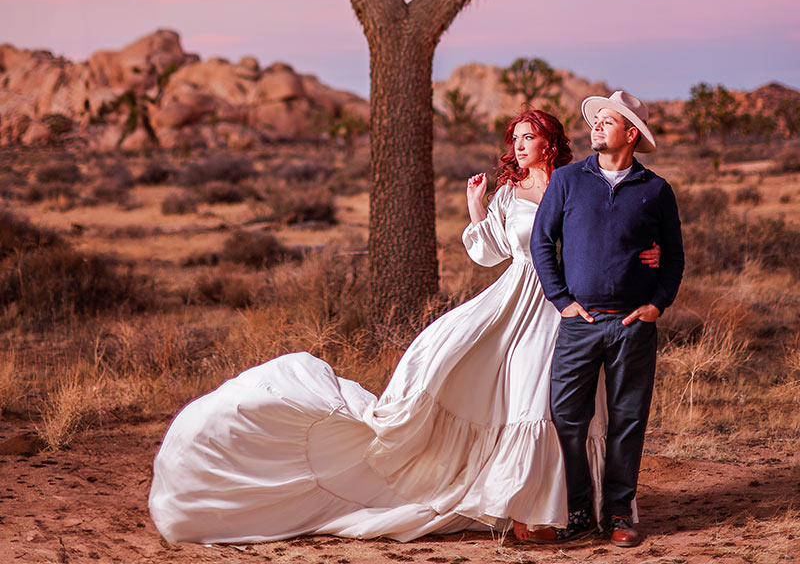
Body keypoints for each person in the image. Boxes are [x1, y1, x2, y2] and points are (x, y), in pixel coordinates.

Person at [149, 109, 659, 545]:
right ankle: (527, 510)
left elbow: (607, 232)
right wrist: (476, 207)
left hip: (568, 305)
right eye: (515, 139)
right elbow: (491, 253)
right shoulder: (509, 192)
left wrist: (645, 256)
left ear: (550, 141)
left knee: (562, 407)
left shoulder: (576, 183)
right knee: (518, 394)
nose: (520, 146)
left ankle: (577, 508)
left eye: (529, 137)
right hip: (517, 297)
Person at [530, 90, 684, 548]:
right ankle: (578, 511)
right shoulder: (568, 181)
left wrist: (659, 303)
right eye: (594, 120)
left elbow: (673, 257)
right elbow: (542, 242)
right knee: (567, 418)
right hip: (580, 324)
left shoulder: (656, 190)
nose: (596, 125)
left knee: (628, 420)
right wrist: (561, 300)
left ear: (631, 133)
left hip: (633, 326)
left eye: (607, 121)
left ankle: (618, 514)